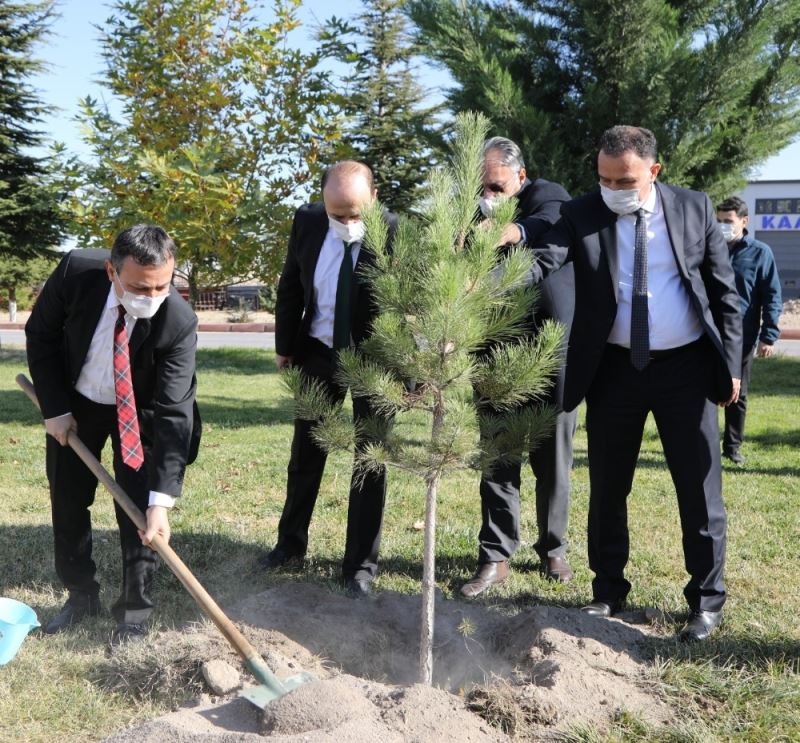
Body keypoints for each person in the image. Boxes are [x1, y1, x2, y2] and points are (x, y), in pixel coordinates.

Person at [523, 125, 742, 642]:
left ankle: (706, 601)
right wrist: (492, 275)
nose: (612, 189)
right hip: (614, 370)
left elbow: (724, 292)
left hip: (685, 368)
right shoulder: (582, 213)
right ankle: (608, 590)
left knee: (699, 486)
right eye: (603, 178)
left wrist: (731, 363)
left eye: (624, 180)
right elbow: (545, 257)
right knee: (607, 487)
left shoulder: (693, 208)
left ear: (653, 172)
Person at [25, 225, 201, 642]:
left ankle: (135, 613)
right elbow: (41, 334)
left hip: (140, 412)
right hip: (77, 400)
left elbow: (174, 412)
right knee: (67, 498)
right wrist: (56, 409)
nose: (153, 297)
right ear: (111, 272)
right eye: (141, 287)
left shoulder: (177, 320)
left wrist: (162, 501)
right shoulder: (75, 273)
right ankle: (81, 595)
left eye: (163, 286)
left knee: (140, 512)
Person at [261, 161, 397, 598]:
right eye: (337, 214)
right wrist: (285, 347)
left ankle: (359, 566)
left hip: (373, 359)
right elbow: (291, 287)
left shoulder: (397, 232)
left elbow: (408, 309)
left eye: (356, 213)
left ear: (373, 199)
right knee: (306, 454)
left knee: (369, 462)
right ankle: (289, 545)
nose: (347, 223)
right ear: (322, 200)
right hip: (317, 350)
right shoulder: (306, 221)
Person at [460, 137, 577, 598]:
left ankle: (553, 548)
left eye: (496, 186)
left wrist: (510, 232)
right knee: (497, 458)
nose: (487, 196)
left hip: (550, 351)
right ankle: (496, 555)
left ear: (520, 177)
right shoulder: (471, 214)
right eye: (480, 188)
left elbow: (549, 230)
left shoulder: (548, 196)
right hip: (494, 355)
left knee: (554, 460)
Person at [716, 196, 782, 465]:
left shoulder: (760, 253)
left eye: (728, 221)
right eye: (718, 221)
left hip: (741, 337)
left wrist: (769, 335)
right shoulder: (710, 248)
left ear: (744, 221)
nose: (722, 226)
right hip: (708, 332)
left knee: (737, 393)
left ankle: (732, 447)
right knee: (700, 390)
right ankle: (701, 442)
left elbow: (772, 295)